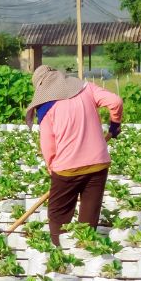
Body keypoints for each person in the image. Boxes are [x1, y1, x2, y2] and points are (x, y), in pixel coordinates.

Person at [24, 65, 124, 244]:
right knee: (89, 215)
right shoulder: (86, 89)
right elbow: (115, 101)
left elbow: (48, 143)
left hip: (66, 168)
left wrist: (52, 165)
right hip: (98, 163)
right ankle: (83, 251)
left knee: (58, 213)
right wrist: (114, 127)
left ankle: (60, 253)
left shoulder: (47, 106)